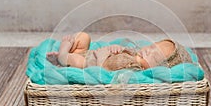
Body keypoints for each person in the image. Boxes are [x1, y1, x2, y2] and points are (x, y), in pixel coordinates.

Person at [46, 31, 192, 71]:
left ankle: (63, 55)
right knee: (83, 37)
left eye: (154, 56)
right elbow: (122, 51)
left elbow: (108, 72)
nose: (148, 51)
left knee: (78, 61)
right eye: (151, 47)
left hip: (90, 63)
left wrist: (105, 55)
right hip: (90, 53)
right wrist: (116, 49)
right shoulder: (135, 53)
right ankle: (70, 52)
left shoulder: (135, 69)